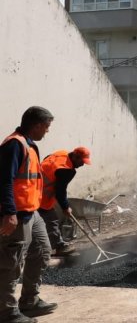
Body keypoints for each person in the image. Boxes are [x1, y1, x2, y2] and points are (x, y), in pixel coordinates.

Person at [0, 107, 57, 322]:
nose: (47, 131)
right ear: (37, 125)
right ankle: (6, 312)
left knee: (42, 251)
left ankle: (30, 301)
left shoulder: (30, 146)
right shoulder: (15, 145)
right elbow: (4, 181)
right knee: (11, 264)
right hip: (16, 215)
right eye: (46, 127)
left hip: (32, 213)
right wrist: (9, 212)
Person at [38, 147, 91, 257]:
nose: (82, 165)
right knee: (51, 220)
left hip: (32, 188)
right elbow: (60, 191)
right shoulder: (66, 169)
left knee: (36, 222)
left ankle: (46, 247)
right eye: (82, 162)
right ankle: (59, 247)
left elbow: (46, 158)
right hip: (40, 196)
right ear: (76, 157)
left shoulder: (61, 153)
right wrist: (65, 207)